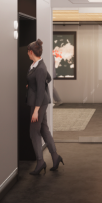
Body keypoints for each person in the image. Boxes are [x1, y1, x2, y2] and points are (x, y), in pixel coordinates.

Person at [25, 39, 64, 175]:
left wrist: (36, 110)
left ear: (31, 52)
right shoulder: (37, 65)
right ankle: (55, 157)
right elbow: (48, 78)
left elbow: (41, 90)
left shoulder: (40, 68)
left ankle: (40, 162)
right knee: (44, 129)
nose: (27, 55)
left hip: (38, 103)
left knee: (34, 132)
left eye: (28, 53)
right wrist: (32, 86)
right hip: (38, 101)